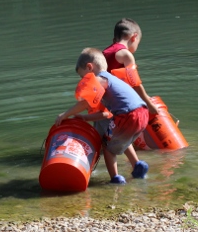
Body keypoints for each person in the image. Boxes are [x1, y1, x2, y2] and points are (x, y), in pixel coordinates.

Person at [55, 48, 149, 184]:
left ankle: (115, 179)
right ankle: (138, 166)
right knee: (119, 137)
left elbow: (85, 103)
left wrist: (65, 114)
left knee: (107, 145)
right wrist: (85, 118)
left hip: (126, 116)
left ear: (89, 67)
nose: (84, 81)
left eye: (83, 77)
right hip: (142, 113)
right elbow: (106, 114)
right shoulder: (113, 80)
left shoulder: (100, 80)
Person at [103, 18, 159, 115]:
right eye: (138, 42)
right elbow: (134, 83)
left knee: (106, 130)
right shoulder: (126, 55)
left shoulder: (103, 53)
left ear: (114, 39)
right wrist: (149, 104)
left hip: (103, 103)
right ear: (134, 37)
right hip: (119, 104)